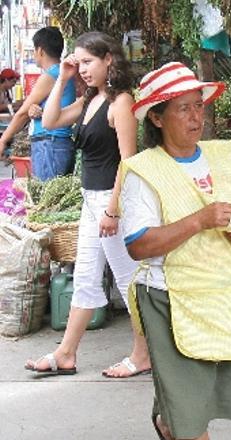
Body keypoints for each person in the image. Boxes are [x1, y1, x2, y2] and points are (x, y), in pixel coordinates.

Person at [120, 61, 231, 440]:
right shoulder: (144, 171)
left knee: (204, 394)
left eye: (199, 106)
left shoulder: (222, 156)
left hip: (221, 294)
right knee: (188, 403)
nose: (196, 117)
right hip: (169, 297)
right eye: (183, 109)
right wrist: (198, 221)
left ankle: (167, 424)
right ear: (157, 118)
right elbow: (138, 245)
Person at [24, 32, 147, 378]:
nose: (83, 70)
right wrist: (62, 76)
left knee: (127, 281)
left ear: (109, 58)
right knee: (86, 279)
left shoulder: (121, 102)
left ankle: (142, 355)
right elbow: (48, 122)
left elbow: (128, 161)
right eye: (79, 63)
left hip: (113, 203)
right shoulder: (89, 100)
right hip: (91, 202)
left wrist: (113, 208)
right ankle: (66, 353)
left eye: (88, 62)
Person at [0, 27, 77, 180]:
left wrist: (3, 140)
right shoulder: (61, 72)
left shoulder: (51, 75)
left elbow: (22, 113)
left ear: (40, 50)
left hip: (50, 144)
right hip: (54, 144)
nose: (34, 55)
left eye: (34, 51)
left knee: (47, 198)